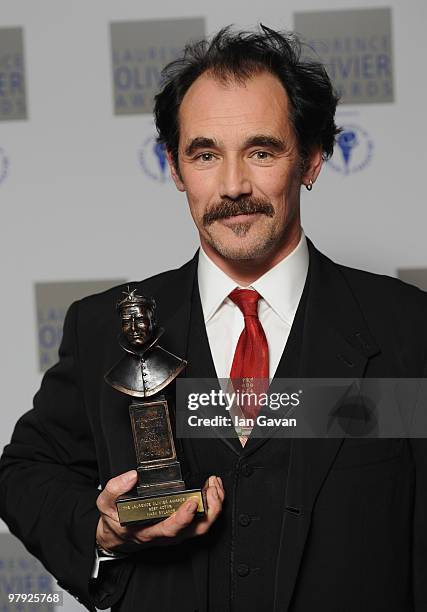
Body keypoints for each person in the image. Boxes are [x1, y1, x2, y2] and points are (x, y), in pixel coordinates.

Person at [1, 24, 427, 612]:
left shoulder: (409, 329)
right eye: (205, 155)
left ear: (311, 158)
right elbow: (25, 472)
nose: (233, 186)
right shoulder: (103, 328)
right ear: (176, 170)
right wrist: (103, 533)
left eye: (261, 151)